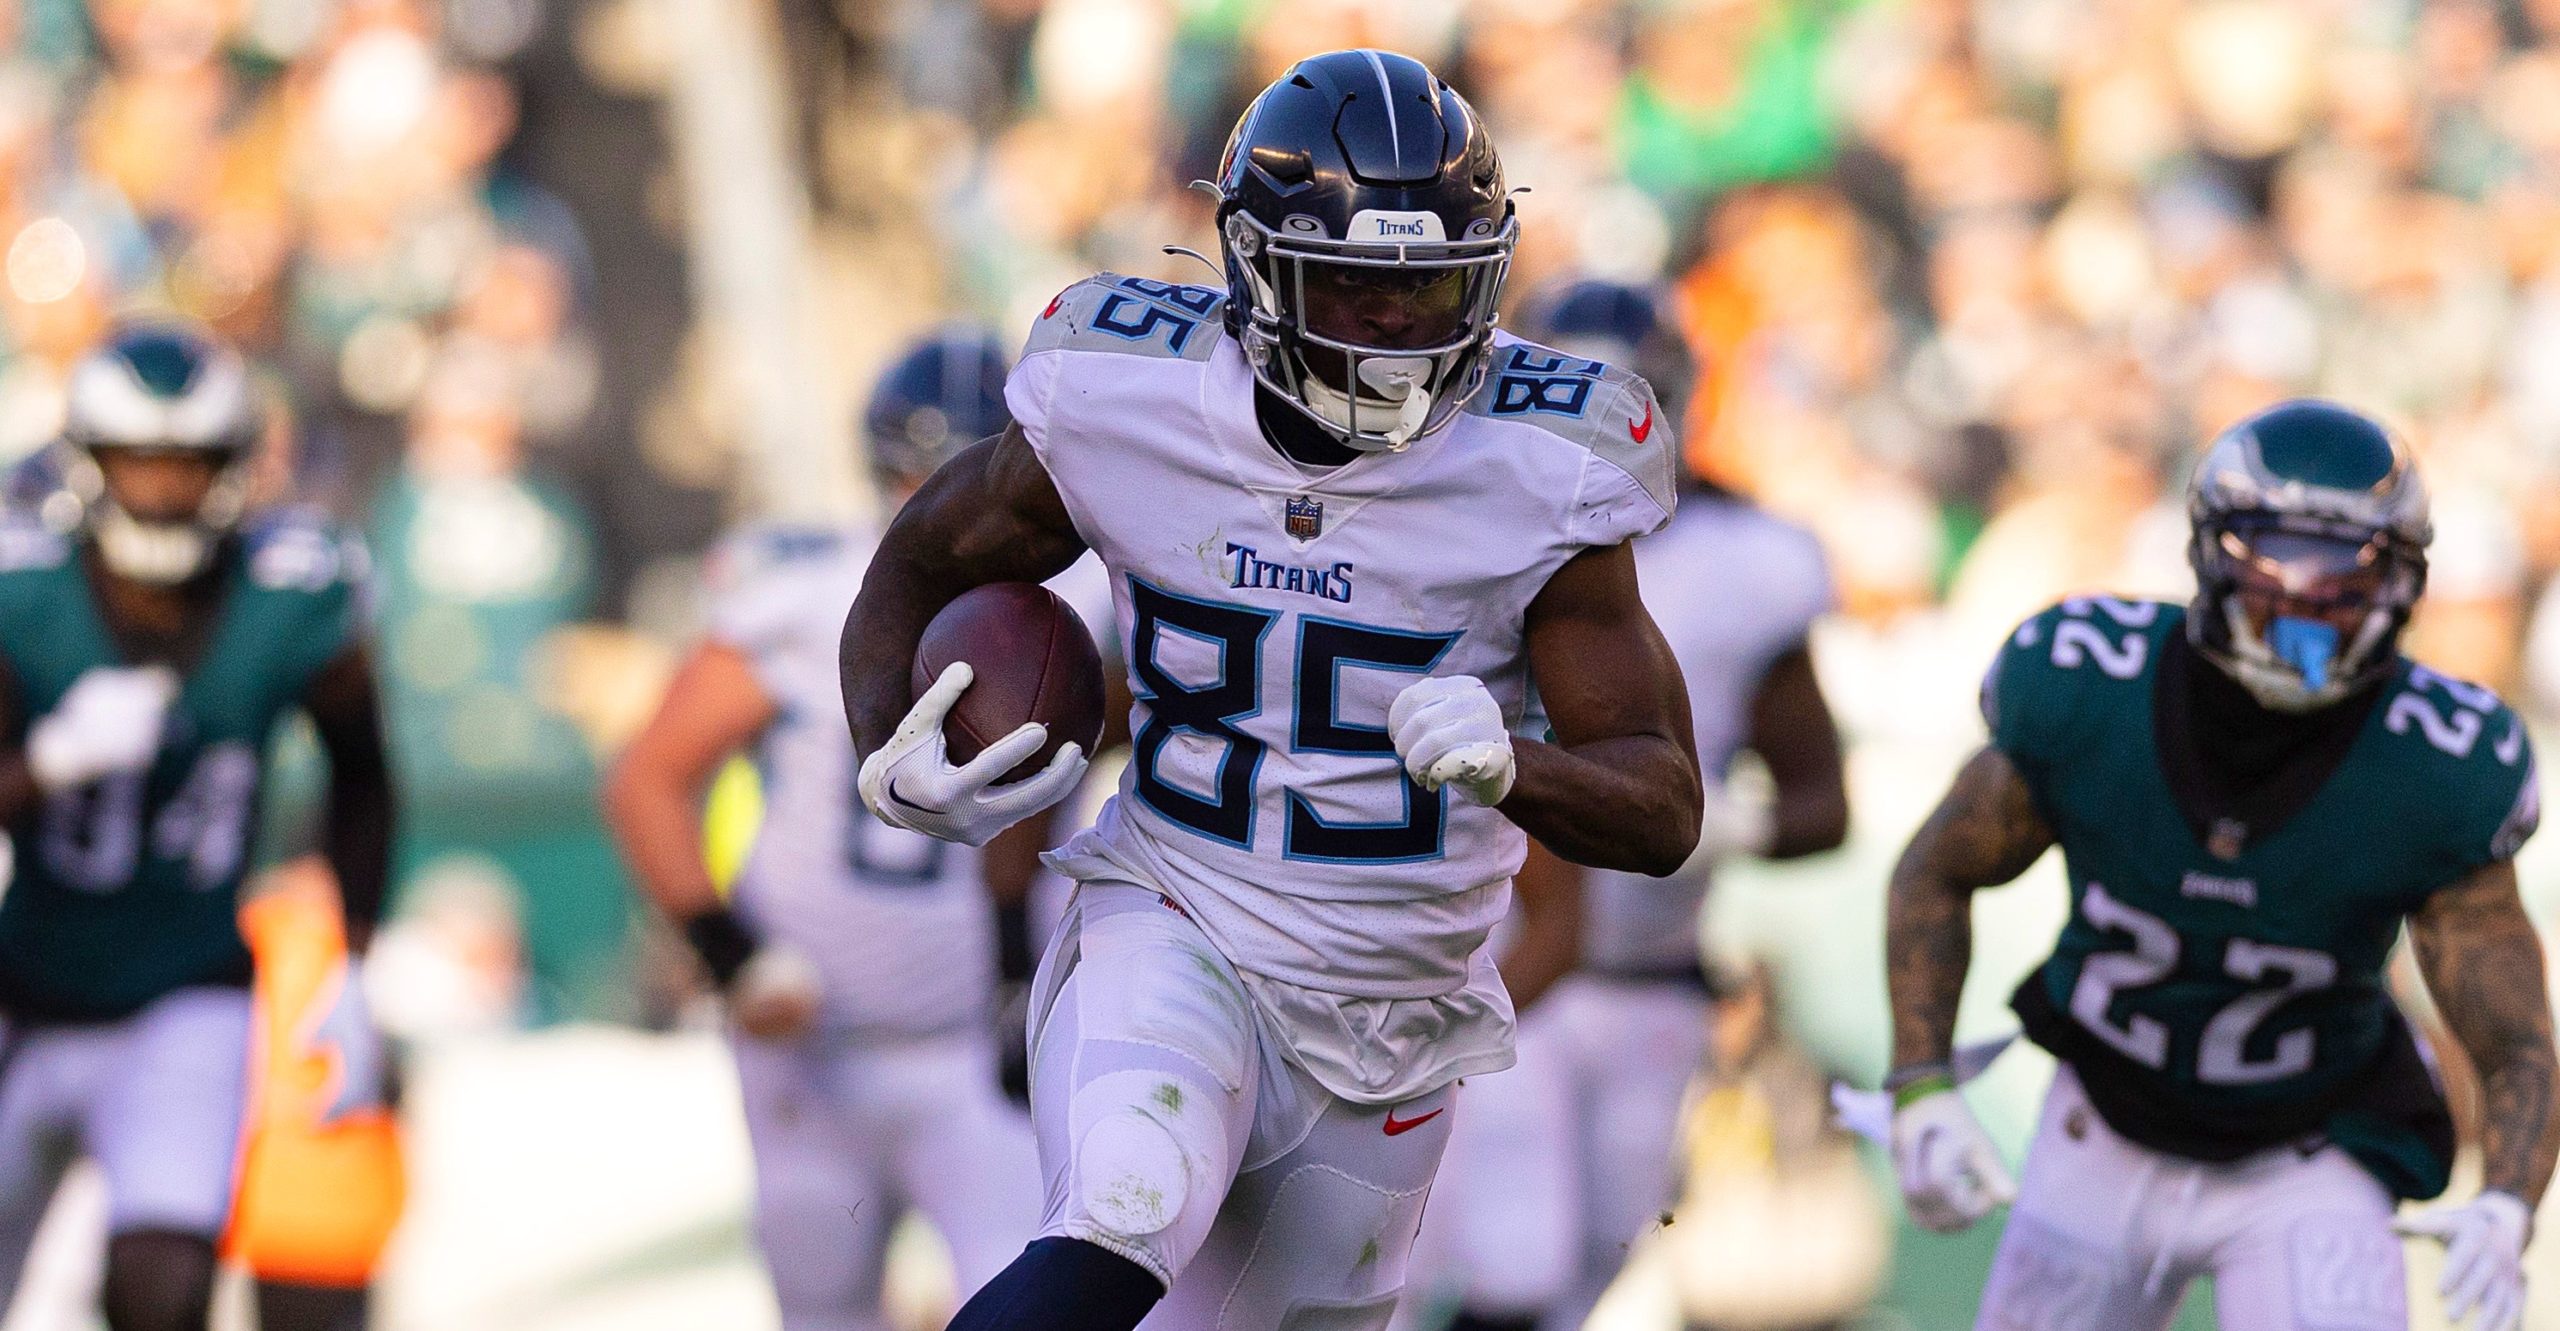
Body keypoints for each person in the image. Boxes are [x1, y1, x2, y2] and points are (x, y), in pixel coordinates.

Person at [841, 49, 1703, 1331]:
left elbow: (1663, 803)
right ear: (1254, 268)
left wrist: (1517, 764)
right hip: (1177, 905)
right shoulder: (1126, 394)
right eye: (1356, 288)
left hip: (1392, 1003)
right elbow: (926, 552)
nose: (1398, 332)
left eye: (1430, 291)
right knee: (1121, 1206)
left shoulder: (1547, 462)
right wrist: (889, 747)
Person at [1881, 400, 2557, 1331]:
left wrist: (2510, 1197)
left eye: (2344, 574)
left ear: (2403, 583)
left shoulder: (2437, 765)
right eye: (2273, 561)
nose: (2305, 604)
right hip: (2104, 1125)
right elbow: (1936, 870)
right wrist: (1918, 1080)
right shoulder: (2089, 686)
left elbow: (2515, 1035)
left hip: (2309, 1153)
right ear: (2207, 551)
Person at [1408, 278, 1848, 1331]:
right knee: (1510, 1264)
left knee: (1588, 1277)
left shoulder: (1753, 563)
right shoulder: (1458, 527)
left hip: (1655, 980)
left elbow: (1823, 801)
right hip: (1498, 962)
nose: (1599, 426)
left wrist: (1726, 824)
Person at [604, 328, 1064, 1331]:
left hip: (980, 1041)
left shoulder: (1081, 603)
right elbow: (649, 777)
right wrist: (731, 953)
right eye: (914, 470)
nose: (942, 503)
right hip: (806, 1041)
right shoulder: (806, 592)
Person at [0, 320, 394, 1331]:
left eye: (186, 465)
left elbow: (362, 774)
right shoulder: (23, 586)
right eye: (139, 464)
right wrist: (42, 764)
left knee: (162, 1290)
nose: (163, 492)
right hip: (22, 987)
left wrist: (352, 957)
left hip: (188, 991)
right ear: (87, 466)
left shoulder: (292, 589)